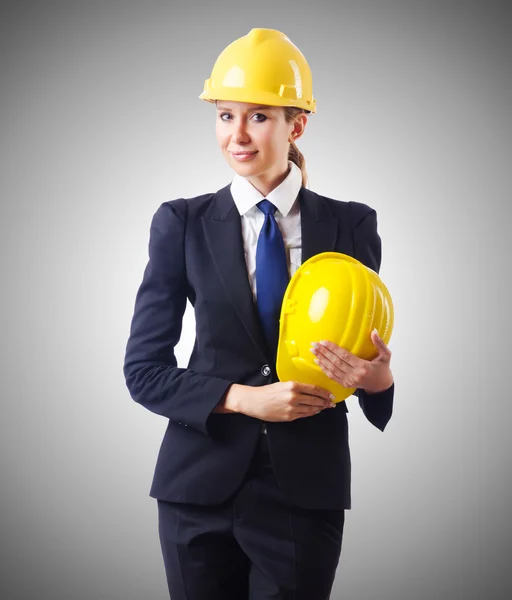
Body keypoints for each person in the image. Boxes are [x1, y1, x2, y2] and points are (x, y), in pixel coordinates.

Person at [123, 28, 395, 600]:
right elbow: (143, 370)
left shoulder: (352, 226)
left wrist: (377, 377)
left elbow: (364, 362)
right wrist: (246, 400)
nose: (237, 135)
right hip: (197, 488)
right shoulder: (182, 223)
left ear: (296, 124)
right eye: (225, 116)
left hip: (304, 491)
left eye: (258, 117)